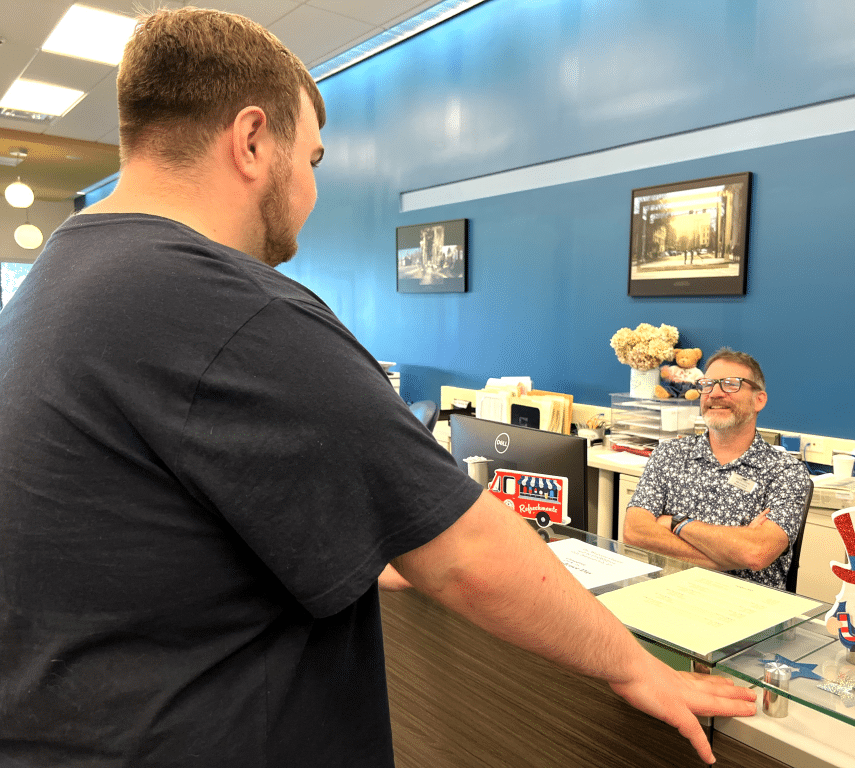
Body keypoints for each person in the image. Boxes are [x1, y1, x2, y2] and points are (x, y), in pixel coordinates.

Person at [0, 9, 754, 767]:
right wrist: (636, 667)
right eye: (314, 160)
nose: (311, 191)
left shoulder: (51, 286)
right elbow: (468, 556)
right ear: (254, 140)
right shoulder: (233, 306)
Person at [623, 349, 812, 590]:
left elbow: (756, 552)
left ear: (759, 400)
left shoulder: (786, 472)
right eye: (708, 384)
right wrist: (729, 556)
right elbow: (634, 531)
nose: (715, 393)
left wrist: (676, 523)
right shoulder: (669, 455)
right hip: (668, 598)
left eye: (731, 384)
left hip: (748, 610)